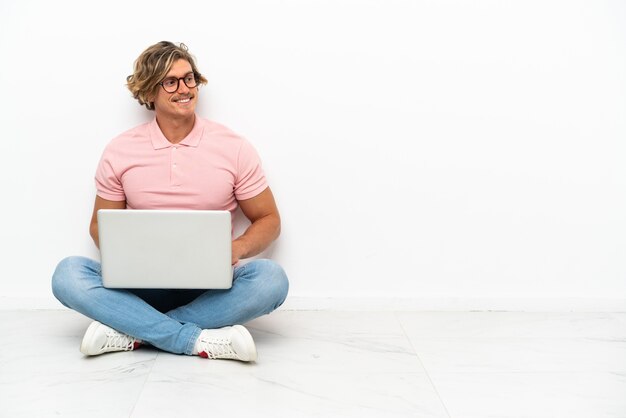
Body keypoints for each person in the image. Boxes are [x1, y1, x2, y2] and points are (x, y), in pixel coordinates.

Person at [51, 41, 289, 362]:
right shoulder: (120, 150)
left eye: (189, 78)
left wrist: (236, 249)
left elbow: (269, 220)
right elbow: (99, 225)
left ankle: (131, 331)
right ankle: (191, 338)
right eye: (170, 81)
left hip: (211, 286)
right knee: (68, 274)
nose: (185, 89)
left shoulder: (233, 147)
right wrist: (129, 252)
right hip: (139, 285)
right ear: (149, 93)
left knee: (271, 280)